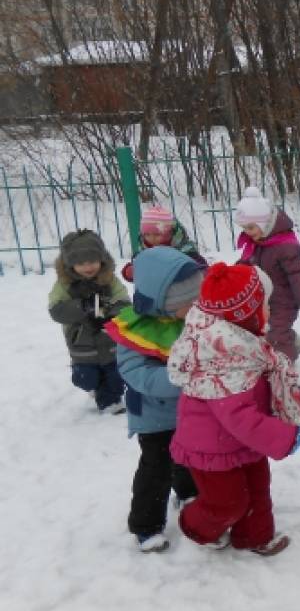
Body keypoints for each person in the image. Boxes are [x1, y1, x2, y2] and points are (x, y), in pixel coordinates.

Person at [169, 263, 300, 556]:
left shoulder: (240, 341)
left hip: (242, 443)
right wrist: (284, 436)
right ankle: (195, 525)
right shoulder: (220, 357)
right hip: (212, 451)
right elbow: (240, 418)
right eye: (265, 306)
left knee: (258, 490)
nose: (269, 311)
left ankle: (254, 536)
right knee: (227, 504)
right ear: (245, 314)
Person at [106, 247, 203, 552]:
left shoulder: (191, 319)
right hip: (153, 416)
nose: (196, 308)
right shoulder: (134, 331)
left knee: (190, 456)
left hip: (190, 411)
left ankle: (187, 492)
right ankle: (146, 525)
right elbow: (138, 375)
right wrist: (183, 378)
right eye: (188, 304)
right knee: (156, 469)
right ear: (163, 303)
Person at [48, 230, 130, 414]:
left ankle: (111, 402)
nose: (88, 267)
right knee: (86, 378)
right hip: (81, 343)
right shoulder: (64, 285)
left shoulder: (109, 280)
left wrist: (111, 313)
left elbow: (123, 301)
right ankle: (95, 386)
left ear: (101, 259)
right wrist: (82, 307)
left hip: (109, 339)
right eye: (80, 263)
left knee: (116, 375)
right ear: (70, 264)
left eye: (92, 261)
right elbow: (56, 310)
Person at [234, 187, 300, 362]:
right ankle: (292, 340)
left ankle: (285, 364)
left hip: (284, 300)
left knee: (276, 334)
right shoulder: (257, 241)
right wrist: (234, 272)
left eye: (250, 227)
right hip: (264, 299)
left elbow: (297, 275)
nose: (247, 232)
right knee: (265, 330)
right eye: (244, 228)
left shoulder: (286, 246)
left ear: (264, 223)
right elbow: (247, 263)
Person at [121, 205, 206, 283]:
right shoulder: (144, 253)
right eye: (147, 234)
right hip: (152, 292)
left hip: (181, 291)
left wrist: (186, 268)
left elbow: (202, 268)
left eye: (157, 234)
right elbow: (137, 272)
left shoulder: (185, 250)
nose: (152, 239)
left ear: (170, 233)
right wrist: (131, 271)